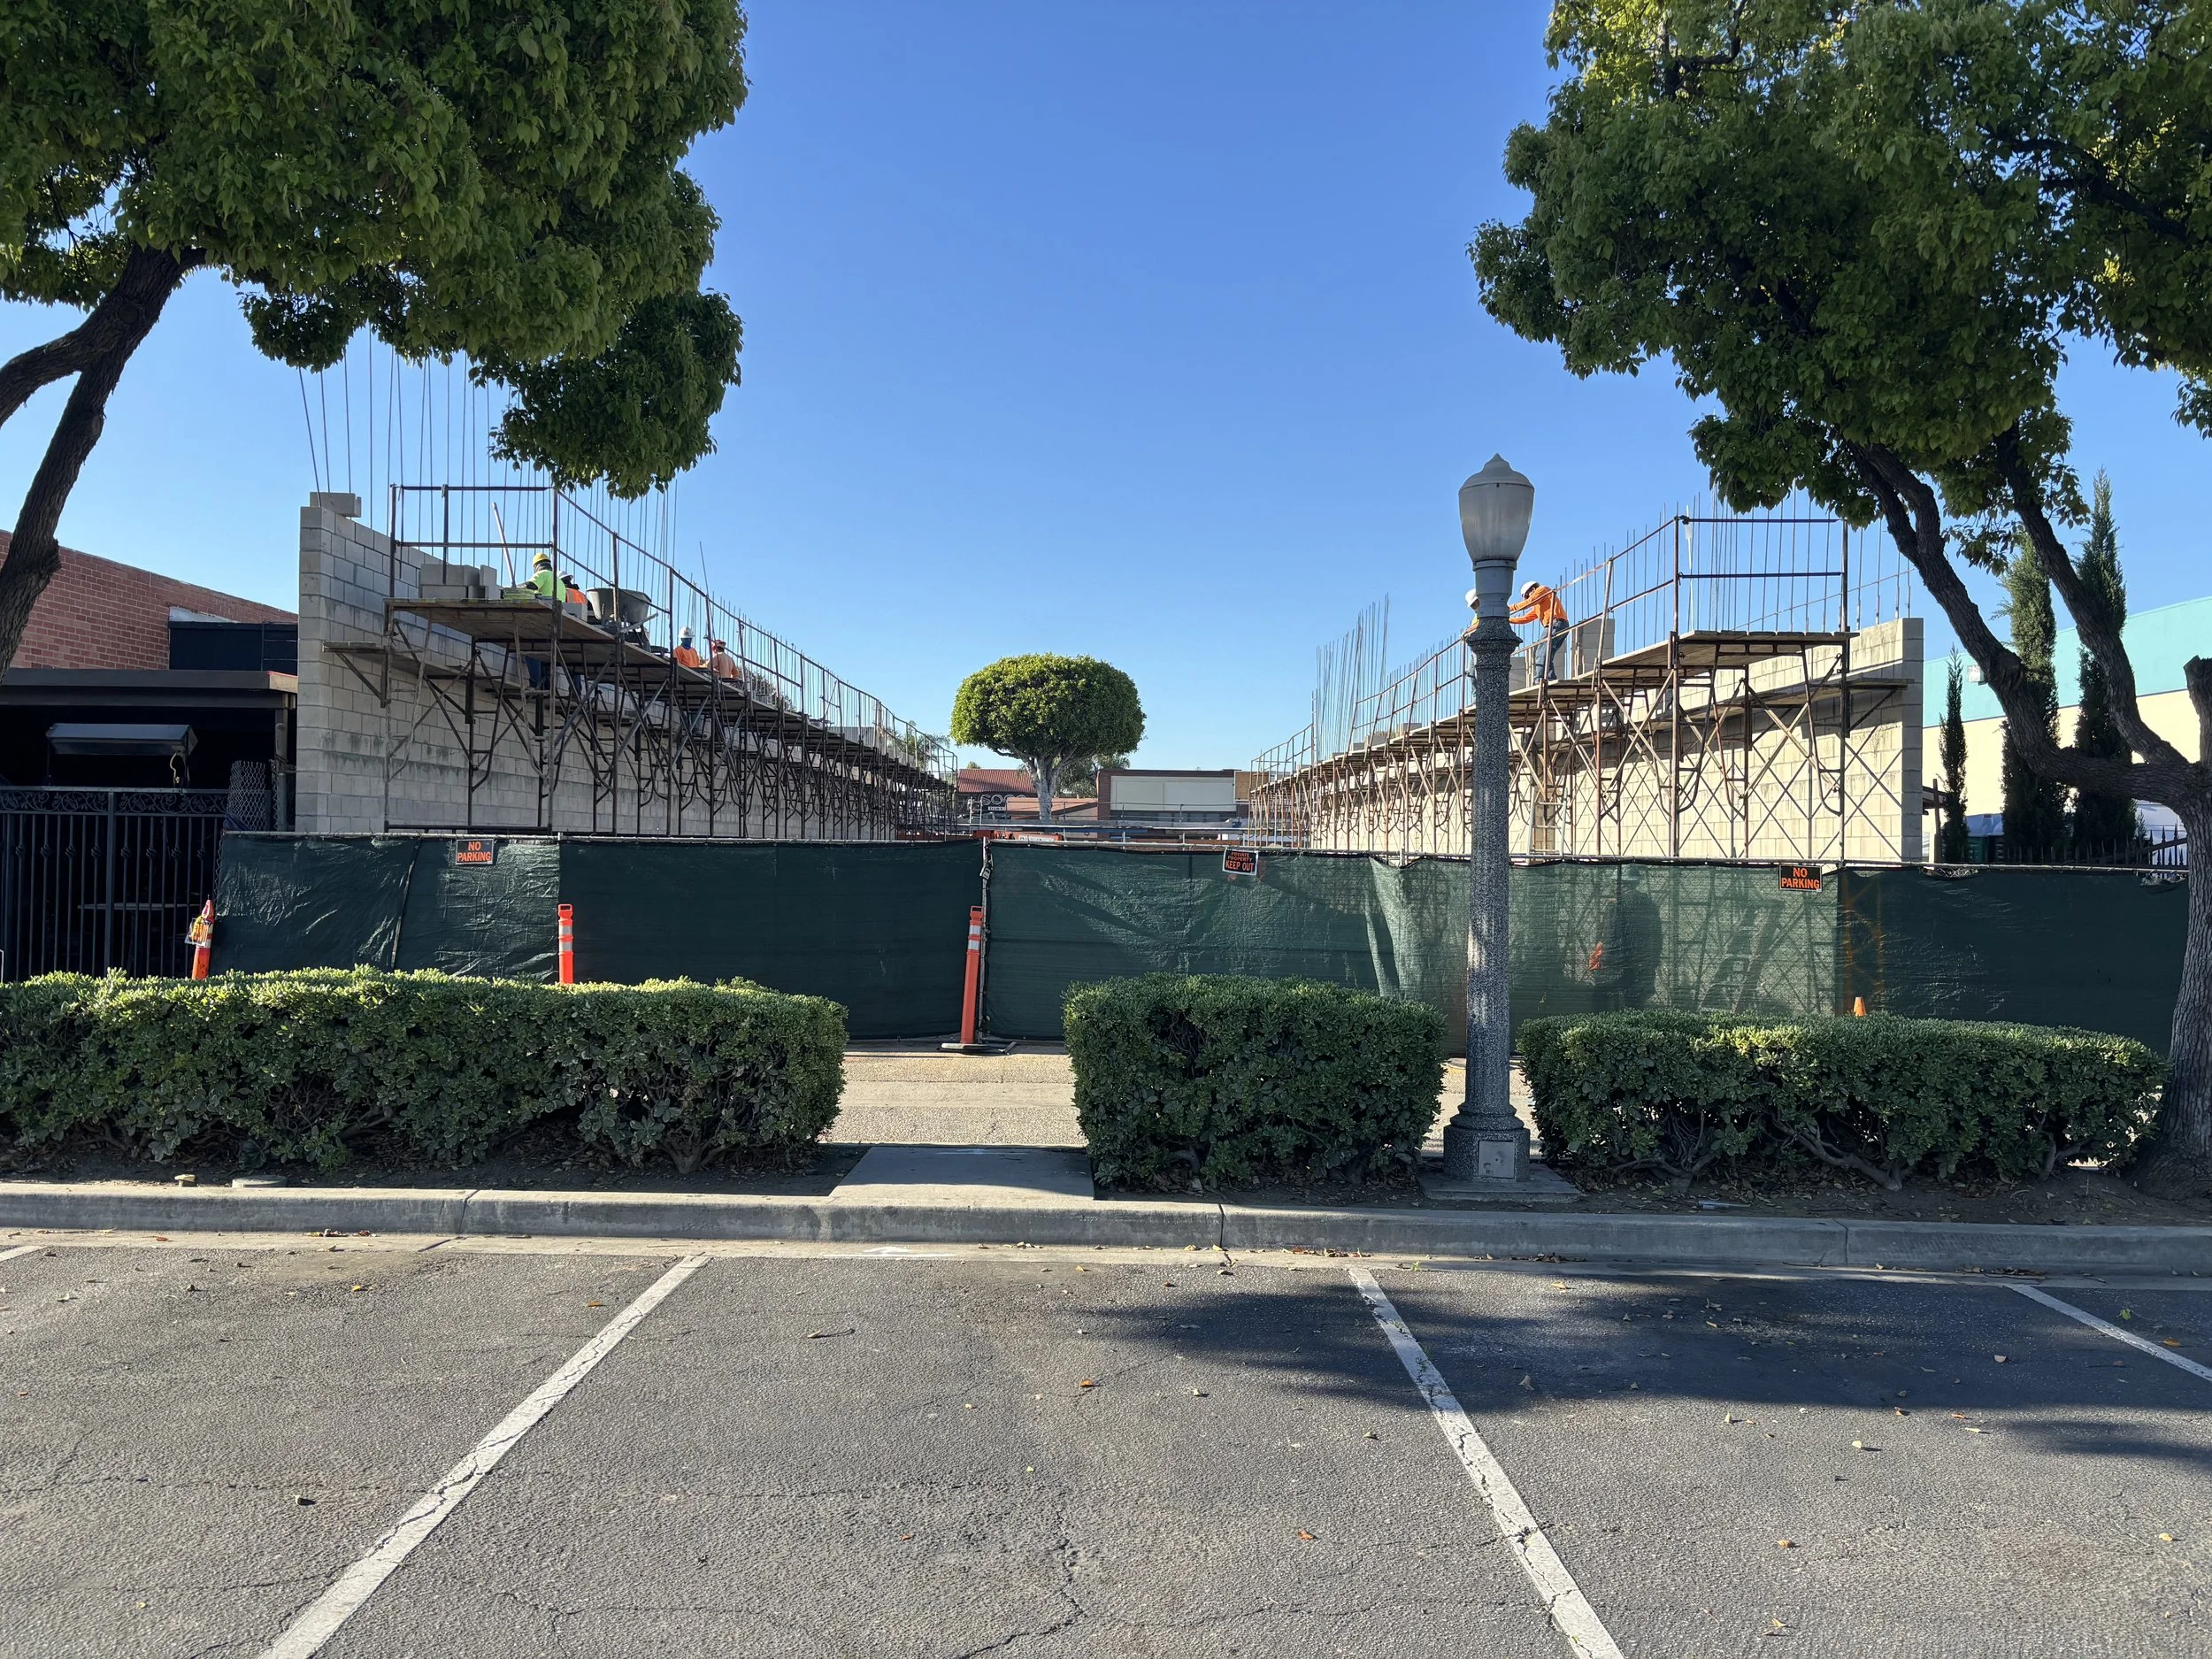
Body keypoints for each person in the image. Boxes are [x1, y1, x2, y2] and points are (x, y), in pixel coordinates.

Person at [1509, 579, 1571, 683]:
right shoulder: (1539, 605)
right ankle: (1550, 677)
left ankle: (1540, 678)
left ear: (1533, 589)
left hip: (1556, 624)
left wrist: (1508, 608)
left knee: (1541, 651)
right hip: (1559, 625)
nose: (1528, 598)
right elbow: (1526, 618)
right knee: (1547, 653)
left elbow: (1528, 603)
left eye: (1527, 596)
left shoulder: (1543, 590)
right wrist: (1508, 620)